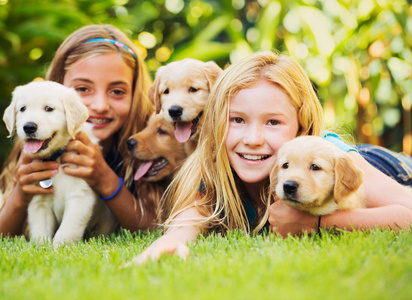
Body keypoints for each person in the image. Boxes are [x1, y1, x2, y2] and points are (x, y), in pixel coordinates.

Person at [129, 50, 412, 265]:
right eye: (237, 120)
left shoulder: (328, 153)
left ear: (303, 126)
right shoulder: (214, 163)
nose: (253, 139)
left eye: (273, 122)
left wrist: (316, 225)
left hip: (392, 168)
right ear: (216, 122)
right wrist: (173, 240)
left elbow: (407, 213)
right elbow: (192, 214)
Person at [0, 24, 156, 237]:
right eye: (82, 89)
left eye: (117, 91)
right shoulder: (36, 141)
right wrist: (20, 193)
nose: (100, 105)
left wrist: (105, 179)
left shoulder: (147, 148)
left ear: (135, 95)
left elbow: (153, 230)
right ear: (57, 87)